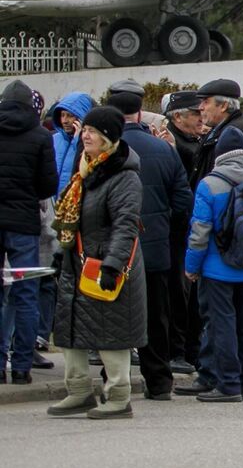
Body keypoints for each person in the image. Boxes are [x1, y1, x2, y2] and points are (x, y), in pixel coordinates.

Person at [44, 107, 146, 418]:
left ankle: (118, 395)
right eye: (85, 130)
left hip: (106, 265)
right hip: (78, 262)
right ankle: (78, 391)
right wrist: (62, 252)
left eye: (93, 132)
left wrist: (112, 266)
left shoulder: (123, 177)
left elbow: (125, 225)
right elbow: (72, 219)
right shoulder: (85, 171)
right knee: (71, 328)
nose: (85, 135)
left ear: (109, 139)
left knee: (111, 332)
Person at [183, 144, 243, 403]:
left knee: (222, 326)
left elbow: (199, 232)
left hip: (217, 269)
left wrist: (191, 266)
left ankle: (228, 384)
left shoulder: (209, 184)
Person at [0, 81, 55, 386]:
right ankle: (22, 366)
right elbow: (48, 185)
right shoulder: (40, 136)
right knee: (26, 295)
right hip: (24, 223)